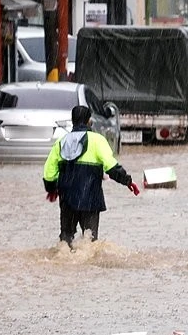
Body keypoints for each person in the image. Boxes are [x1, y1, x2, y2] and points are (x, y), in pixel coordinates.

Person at [42, 105, 137, 248]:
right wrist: (127, 181)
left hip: (67, 200)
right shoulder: (97, 140)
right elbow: (111, 166)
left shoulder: (61, 142)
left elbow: (49, 171)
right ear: (89, 121)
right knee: (90, 242)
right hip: (90, 199)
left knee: (66, 241)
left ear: (73, 121)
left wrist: (51, 189)